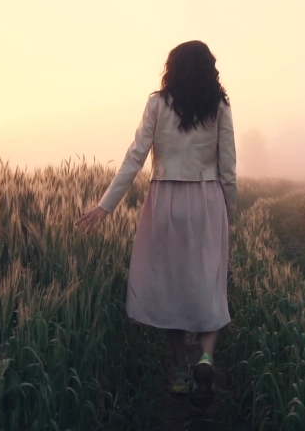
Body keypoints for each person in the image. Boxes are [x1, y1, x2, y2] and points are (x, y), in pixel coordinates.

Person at [75, 40, 236, 404]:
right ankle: (206, 357)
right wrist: (231, 212)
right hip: (207, 200)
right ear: (209, 69)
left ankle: (179, 372)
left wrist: (104, 207)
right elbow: (228, 167)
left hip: (165, 201)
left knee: (171, 287)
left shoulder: (157, 104)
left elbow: (134, 158)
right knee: (209, 282)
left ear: (172, 68)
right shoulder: (220, 106)